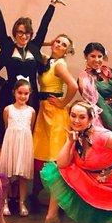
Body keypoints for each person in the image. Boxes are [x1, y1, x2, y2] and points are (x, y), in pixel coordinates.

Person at [0, 0, 67, 113]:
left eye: (27, 33)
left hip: (31, 95)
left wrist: (52, 4)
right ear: (15, 33)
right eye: (20, 32)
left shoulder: (34, 46)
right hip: (11, 95)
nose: (24, 36)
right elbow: (0, 23)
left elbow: (44, 26)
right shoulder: (7, 46)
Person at [32, 34, 77, 203]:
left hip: (54, 113)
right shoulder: (47, 60)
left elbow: (73, 85)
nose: (58, 45)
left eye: (63, 44)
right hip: (44, 110)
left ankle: (59, 198)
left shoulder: (59, 65)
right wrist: (48, 42)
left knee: (54, 153)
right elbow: (32, 46)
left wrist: (63, 102)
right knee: (41, 151)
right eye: (57, 41)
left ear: (67, 51)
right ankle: (37, 192)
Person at [0, 78, 36, 217]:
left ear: (30, 94)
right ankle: (5, 202)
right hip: (11, 143)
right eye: (20, 93)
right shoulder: (8, 109)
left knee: (22, 175)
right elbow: (6, 127)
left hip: (24, 143)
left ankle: (22, 202)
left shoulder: (31, 111)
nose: (22, 96)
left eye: (26, 93)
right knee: (8, 174)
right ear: (14, 92)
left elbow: (30, 128)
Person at [78, 42, 112, 132]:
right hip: (99, 118)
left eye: (100, 56)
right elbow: (92, 103)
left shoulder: (107, 71)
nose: (97, 60)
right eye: (93, 56)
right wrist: (109, 122)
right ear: (85, 56)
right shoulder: (84, 77)